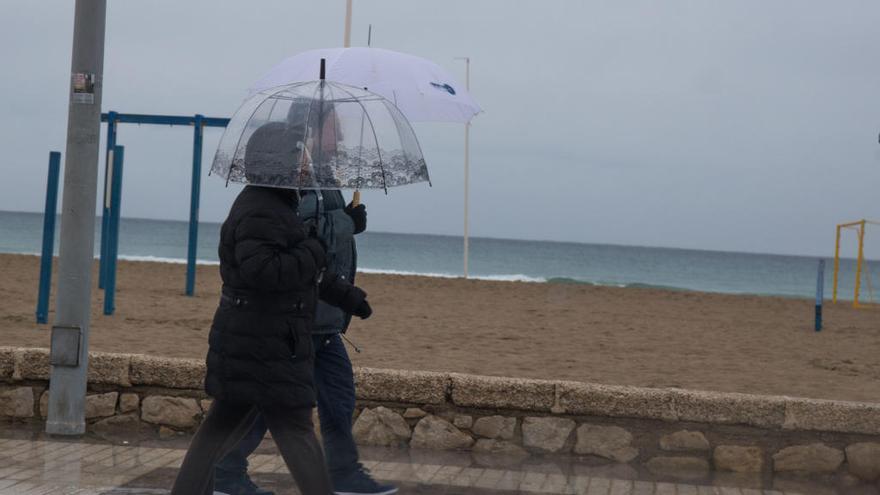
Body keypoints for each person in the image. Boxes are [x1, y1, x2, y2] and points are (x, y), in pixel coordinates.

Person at [171, 121, 373, 495]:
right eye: (300, 155)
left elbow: (302, 270)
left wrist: (347, 297)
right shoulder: (261, 209)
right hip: (264, 345)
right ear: (278, 161)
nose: (306, 164)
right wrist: (316, 247)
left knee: (219, 434)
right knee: (296, 432)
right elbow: (266, 271)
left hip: (259, 344)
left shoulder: (277, 205)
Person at [214, 106, 396, 495]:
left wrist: (347, 295)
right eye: (336, 128)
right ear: (313, 129)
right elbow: (302, 235)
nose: (343, 137)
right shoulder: (298, 180)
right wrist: (349, 223)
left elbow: (312, 242)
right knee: (274, 409)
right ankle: (227, 473)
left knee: (335, 399)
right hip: (300, 316)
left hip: (324, 314)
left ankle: (341, 475)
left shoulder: (324, 176)